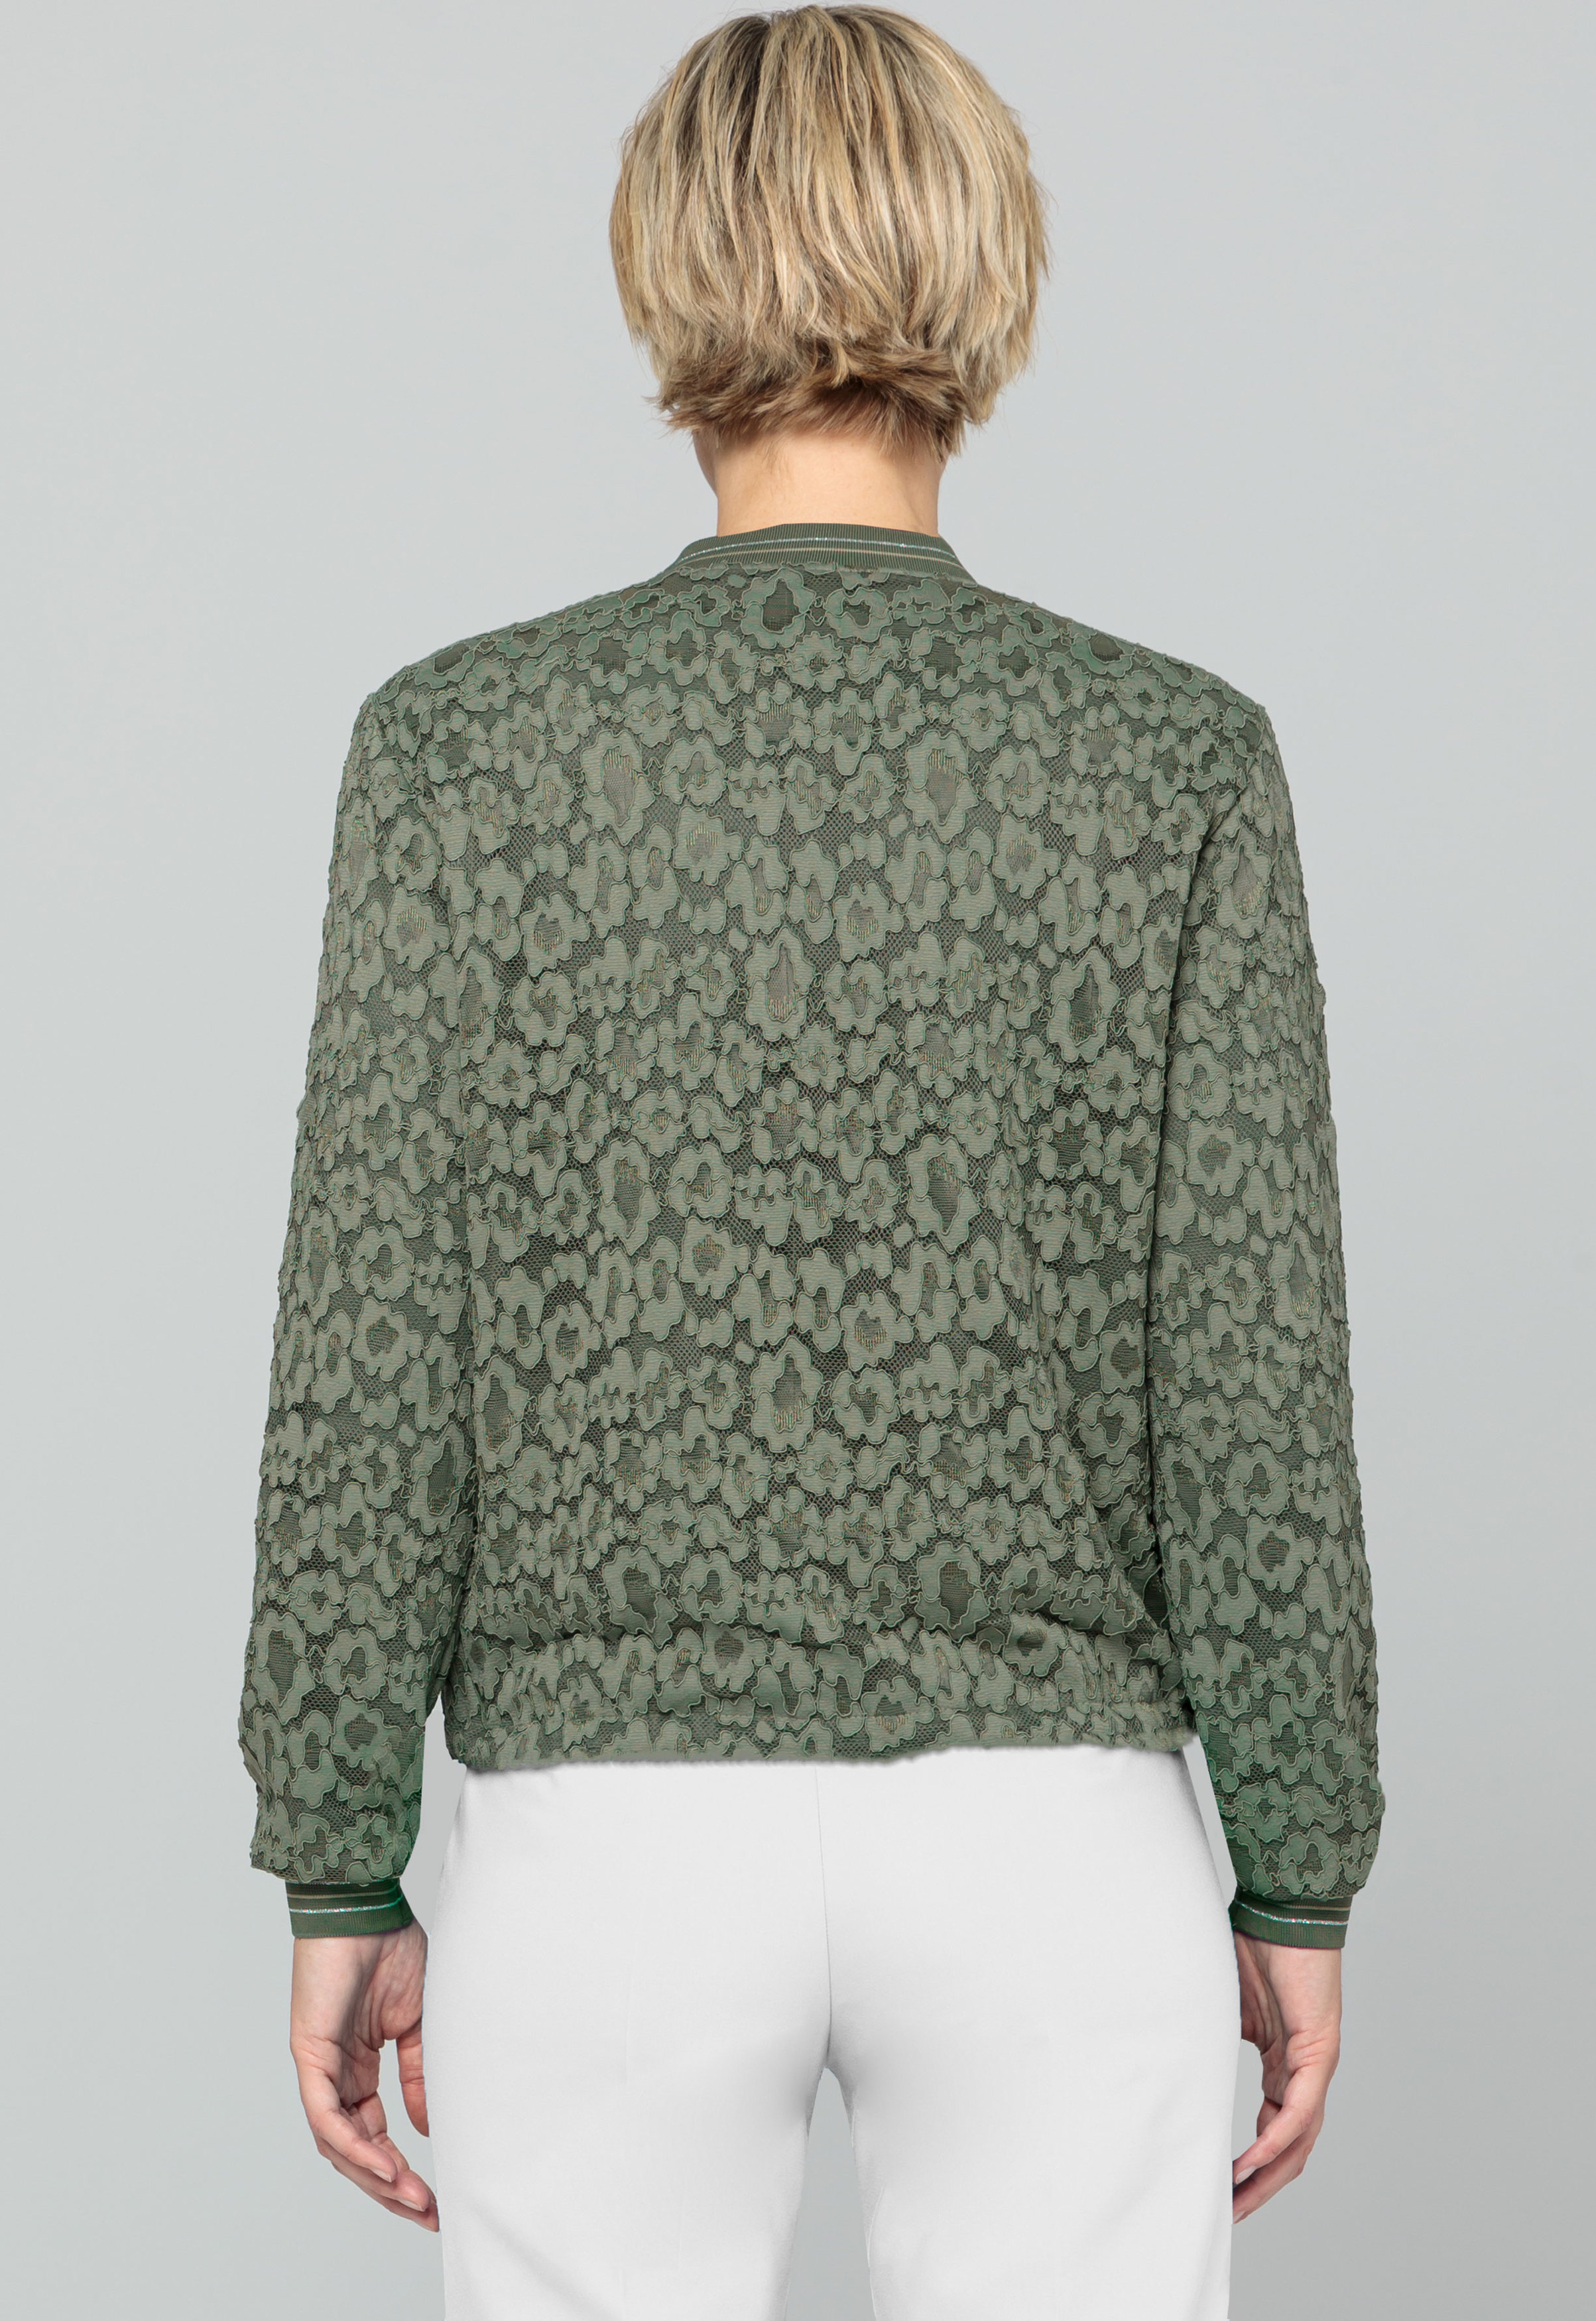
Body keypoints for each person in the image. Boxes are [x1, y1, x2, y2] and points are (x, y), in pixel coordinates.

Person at [238, 9, 1383, 2316]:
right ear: (986, 267)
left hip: (601, 1845)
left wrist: (339, 1852)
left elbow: (374, 1336)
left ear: (663, 273)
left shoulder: (459, 753)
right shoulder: (1168, 762)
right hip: (1053, 1841)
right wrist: (1294, 1864)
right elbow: (1247, 1367)